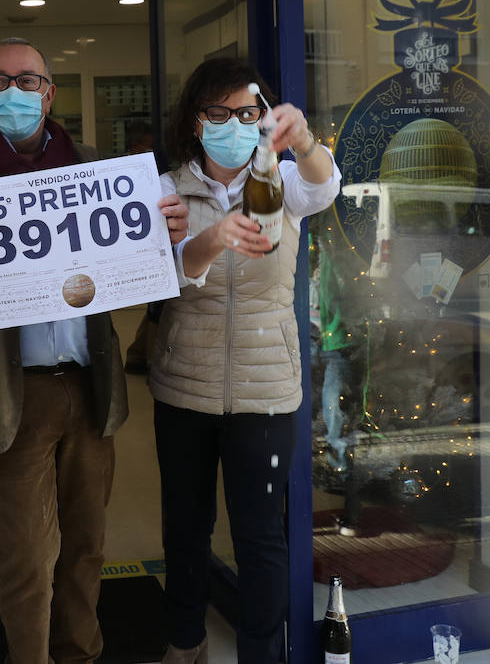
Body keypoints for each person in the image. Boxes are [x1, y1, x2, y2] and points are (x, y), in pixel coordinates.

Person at [0, 39, 188, 664]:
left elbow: (141, 268)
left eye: (28, 80)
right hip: (7, 391)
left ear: (48, 92)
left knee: (88, 545)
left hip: (89, 385)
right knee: (26, 557)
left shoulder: (97, 170)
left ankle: (80, 652)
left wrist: (165, 238)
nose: (13, 92)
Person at [149, 58, 340, 664]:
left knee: (260, 536)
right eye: (217, 112)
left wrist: (303, 138)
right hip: (185, 385)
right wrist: (213, 238)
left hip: (266, 388)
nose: (233, 124)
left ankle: (263, 652)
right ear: (194, 120)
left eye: (247, 113)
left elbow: (326, 186)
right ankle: (186, 643)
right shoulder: (163, 189)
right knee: (186, 529)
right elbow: (160, 279)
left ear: (263, 121)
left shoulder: (281, 181)